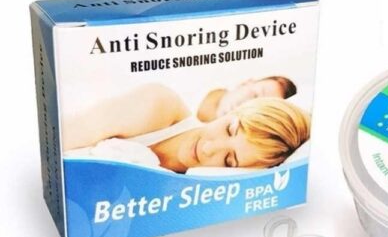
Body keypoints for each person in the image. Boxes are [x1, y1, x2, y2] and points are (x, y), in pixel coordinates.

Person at [63, 83, 310, 173]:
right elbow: (63, 137)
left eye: (229, 161)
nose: (209, 148)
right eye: (230, 129)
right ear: (233, 112)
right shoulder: (159, 105)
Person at [197, 76, 297, 122]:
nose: (248, 107)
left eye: (260, 109)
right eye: (255, 95)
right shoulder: (199, 85)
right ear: (246, 83)